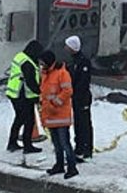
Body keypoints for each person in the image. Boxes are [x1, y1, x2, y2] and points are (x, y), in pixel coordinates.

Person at [39, 50, 78, 178]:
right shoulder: (45, 74)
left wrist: (55, 102)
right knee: (56, 144)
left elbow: (68, 91)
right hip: (50, 115)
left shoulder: (62, 73)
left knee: (65, 143)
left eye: (43, 62)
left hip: (60, 115)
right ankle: (59, 165)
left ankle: (72, 167)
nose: (41, 65)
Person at [5, 40, 44, 153]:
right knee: (29, 121)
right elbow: (31, 82)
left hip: (14, 93)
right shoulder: (28, 63)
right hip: (22, 95)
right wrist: (40, 92)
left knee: (19, 119)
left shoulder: (20, 56)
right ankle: (27, 145)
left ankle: (12, 143)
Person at [65, 35, 94, 160]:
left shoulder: (83, 62)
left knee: (84, 123)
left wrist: (75, 92)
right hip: (76, 97)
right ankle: (79, 146)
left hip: (82, 98)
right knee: (78, 122)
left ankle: (86, 148)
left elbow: (83, 81)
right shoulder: (73, 62)